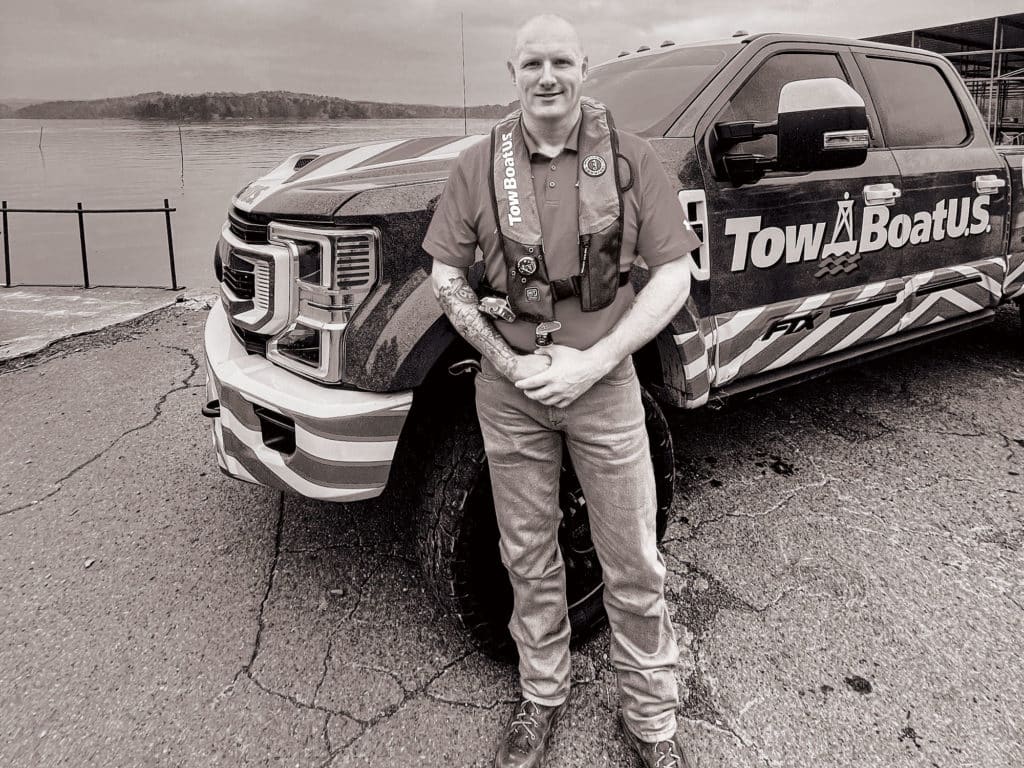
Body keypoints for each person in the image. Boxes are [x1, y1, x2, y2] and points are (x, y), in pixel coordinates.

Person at [422, 14, 701, 768]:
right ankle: (541, 694)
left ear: (586, 69)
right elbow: (447, 279)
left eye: (563, 63)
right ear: (512, 74)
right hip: (507, 393)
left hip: (605, 386)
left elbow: (674, 274)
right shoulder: (476, 167)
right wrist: (505, 363)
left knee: (633, 557)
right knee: (526, 553)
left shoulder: (633, 161)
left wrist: (596, 359)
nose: (548, 78)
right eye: (532, 64)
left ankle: (651, 721)